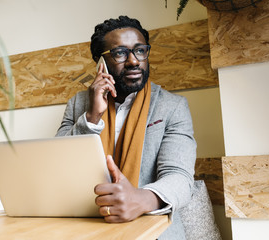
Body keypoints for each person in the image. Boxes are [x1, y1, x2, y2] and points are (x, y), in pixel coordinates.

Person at [56, 15, 196, 239]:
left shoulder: (172, 106)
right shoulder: (78, 105)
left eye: (140, 50)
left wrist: (139, 200)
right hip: (85, 228)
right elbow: (57, 165)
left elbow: (180, 178)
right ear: (100, 63)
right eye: (120, 53)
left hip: (153, 232)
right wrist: (92, 116)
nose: (133, 61)